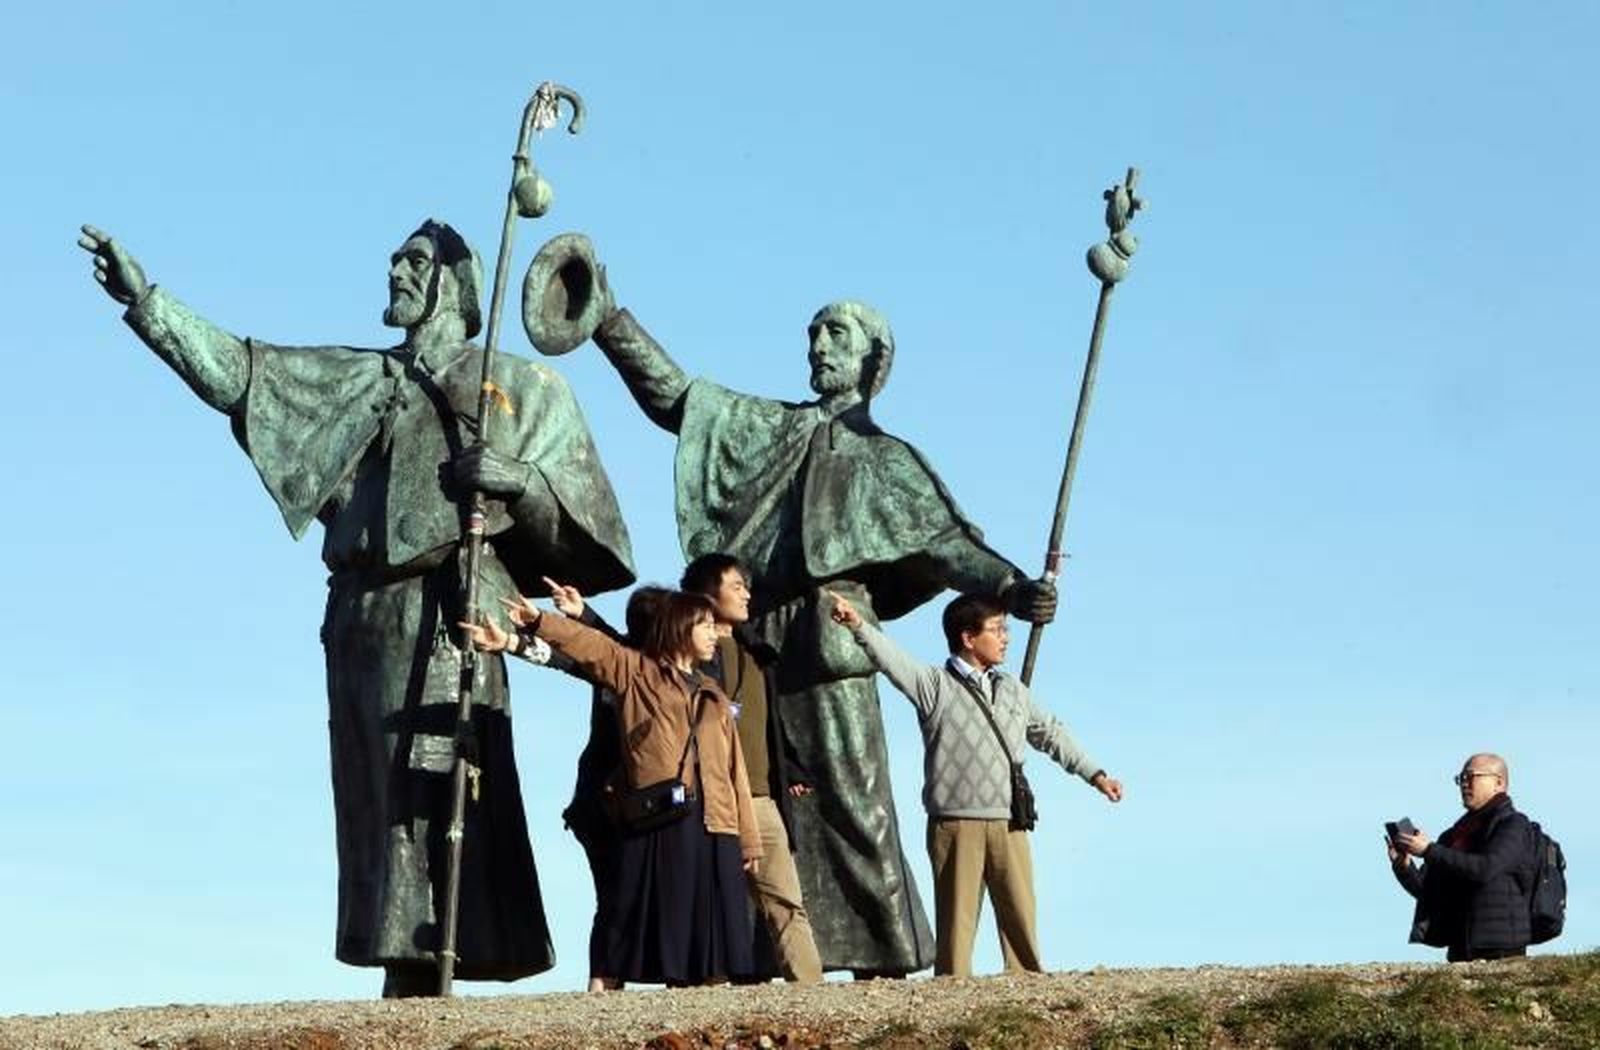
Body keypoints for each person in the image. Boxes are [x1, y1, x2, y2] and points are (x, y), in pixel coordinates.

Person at [78, 222, 635, 996]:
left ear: (458, 285)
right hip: (363, 623)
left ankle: (430, 982)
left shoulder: (521, 387)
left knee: (440, 798)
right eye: (394, 259)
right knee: (378, 817)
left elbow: (596, 539)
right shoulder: (358, 379)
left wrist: (519, 484)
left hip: (452, 616)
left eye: (415, 260)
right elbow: (243, 378)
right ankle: (405, 982)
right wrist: (149, 304)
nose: (396, 271)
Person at [581, 278, 1057, 975]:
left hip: (835, 647)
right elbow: (680, 401)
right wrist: (606, 319)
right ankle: (761, 957)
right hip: (763, 646)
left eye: (836, 333)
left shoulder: (889, 461)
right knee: (755, 802)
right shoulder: (773, 427)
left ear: (874, 360)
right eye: (814, 332)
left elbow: (950, 544)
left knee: (856, 810)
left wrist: (1012, 587)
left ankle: (884, 958)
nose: (818, 345)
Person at [465, 588, 762, 985]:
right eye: (705, 626)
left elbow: (734, 771)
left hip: (717, 819)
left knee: (712, 914)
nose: (714, 635)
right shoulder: (636, 671)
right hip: (664, 811)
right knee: (643, 903)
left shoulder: (713, 694)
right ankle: (613, 981)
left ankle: (710, 987)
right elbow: (590, 648)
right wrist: (539, 621)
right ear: (679, 628)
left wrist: (750, 839)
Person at [827, 590, 1123, 977]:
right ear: (968, 637)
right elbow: (891, 659)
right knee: (957, 922)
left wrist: (1095, 774)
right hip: (955, 822)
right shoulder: (934, 685)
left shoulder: (1013, 689)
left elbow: (1051, 733)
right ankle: (952, 994)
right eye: (997, 629)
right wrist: (857, 625)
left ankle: (1028, 987)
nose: (1005, 638)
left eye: (1006, 629)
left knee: (1020, 914)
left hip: (1009, 820)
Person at [495, 580, 670, 992]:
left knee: (624, 896)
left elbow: (603, 650)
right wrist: (515, 641)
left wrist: (585, 616)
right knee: (615, 893)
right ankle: (604, 982)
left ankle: (611, 980)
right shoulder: (629, 671)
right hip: (609, 803)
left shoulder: (667, 674)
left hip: (626, 802)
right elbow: (575, 657)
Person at [681, 553, 822, 984]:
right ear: (708, 594)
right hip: (709, 799)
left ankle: (814, 994)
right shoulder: (685, 654)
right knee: (707, 905)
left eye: (747, 586)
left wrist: (791, 768)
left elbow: (769, 721)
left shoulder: (757, 649)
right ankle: (706, 996)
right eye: (736, 586)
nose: (747, 594)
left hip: (760, 798)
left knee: (785, 901)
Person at [1389, 753, 1537, 962]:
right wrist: (1404, 867)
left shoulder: (1514, 825)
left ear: (1498, 783)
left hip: (1501, 948)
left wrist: (1429, 850)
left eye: (1471, 777)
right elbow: (1428, 891)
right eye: (1461, 779)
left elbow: (1487, 868)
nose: (1464, 784)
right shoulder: (1453, 835)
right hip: (1459, 947)